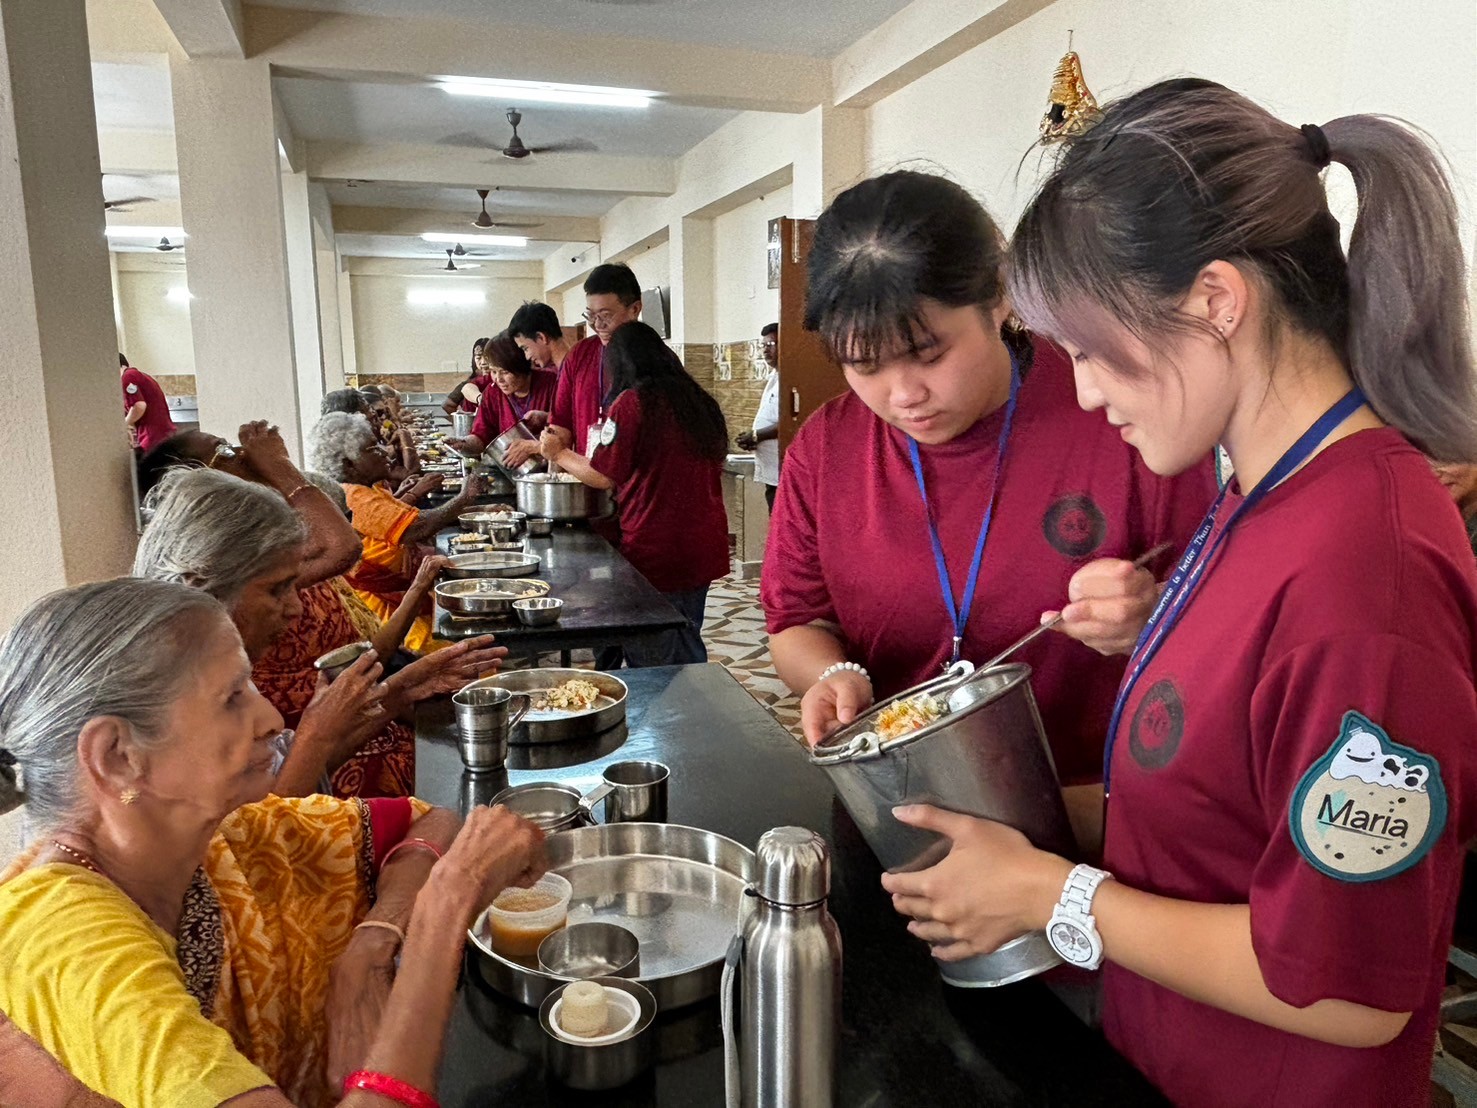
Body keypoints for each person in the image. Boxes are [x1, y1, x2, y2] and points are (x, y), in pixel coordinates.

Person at [883, 80, 1477, 1107]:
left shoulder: (1363, 573)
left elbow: (1349, 991)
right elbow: (1218, 800)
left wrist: (1049, 893)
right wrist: (1012, 819)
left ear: (1215, 301)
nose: (1081, 390)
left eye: (1090, 347)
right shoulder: (1250, 493)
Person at [0, 577, 546, 1107]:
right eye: (233, 698)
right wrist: (445, 904)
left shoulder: (221, 836)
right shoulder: (66, 944)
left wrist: (371, 946)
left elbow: (428, 824)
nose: (269, 718)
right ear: (118, 756)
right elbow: (447, 863)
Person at [762, 170, 1216, 786]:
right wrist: (832, 676)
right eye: (863, 365)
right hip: (903, 800)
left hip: (1095, 807)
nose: (904, 396)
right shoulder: (826, 447)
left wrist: (1150, 615)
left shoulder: (1115, 410)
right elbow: (797, 619)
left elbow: (1221, 615)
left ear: (998, 297)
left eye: (929, 354)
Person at [135, 467, 505, 798]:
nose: (296, 607)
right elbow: (263, 831)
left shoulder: (224, 669)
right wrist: (317, 733)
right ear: (202, 586)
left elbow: (296, 766)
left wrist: (403, 688)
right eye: (277, 589)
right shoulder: (165, 709)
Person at [540, 321, 729, 666]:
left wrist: (558, 453)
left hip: (658, 544)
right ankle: (692, 707)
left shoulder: (633, 403)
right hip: (702, 543)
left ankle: (676, 715)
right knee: (685, 635)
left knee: (658, 655)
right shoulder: (698, 402)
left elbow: (603, 475)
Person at [311, 412, 484, 654]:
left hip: (407, 598)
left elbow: (414, 517)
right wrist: (465, 498)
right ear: (349, 464)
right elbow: (417, 527)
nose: (385, 451)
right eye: (372, 448)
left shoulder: (370, 489)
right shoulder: (355, 498)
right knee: (472, 651)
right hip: (392, 615)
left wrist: (480, 509)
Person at [504, 264, 643, 471]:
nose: (597, 325)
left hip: (637, 484)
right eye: (591, 316)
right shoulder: (580, 355)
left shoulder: (656, 359)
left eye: (605, 315)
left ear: (634, 309)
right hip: (586, 479)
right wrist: (553, 482)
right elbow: (560, 427)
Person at [446, 331, 558, 458]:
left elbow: (573, 428)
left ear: (521, 367)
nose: (498, 379)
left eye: (504, 372)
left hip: (551, 468)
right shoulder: (493, 392)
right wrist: (462, 443)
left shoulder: (552, 384)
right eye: (493, 371)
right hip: (510, 467)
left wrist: (547, 417)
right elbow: (480, 437)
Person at [736, 322, 782, 511]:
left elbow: (790, 422)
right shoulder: (774, 377)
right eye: (763, 346)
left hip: (783, 473)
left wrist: (757, 436)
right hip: (770, 472)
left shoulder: (791, 380)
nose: (765, 351)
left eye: (770, 345)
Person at [119, 352, 176, 453]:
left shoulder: (128, 377)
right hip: (164, 435)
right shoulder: (142, 376)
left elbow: (138, 405)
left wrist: (124, 424)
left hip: (153, 438)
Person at [508, 301, 573, 373]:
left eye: (525, 348)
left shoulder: (574, 370)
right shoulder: (565, 370)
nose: (527, 357)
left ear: (541, 337)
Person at [442, 337, 493, 418]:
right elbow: (447, 405)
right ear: (474, 360)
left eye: (487, 357)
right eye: (478, 358)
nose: (483, 362)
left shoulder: (500, 381)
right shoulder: (469, 383)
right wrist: (463, 420)